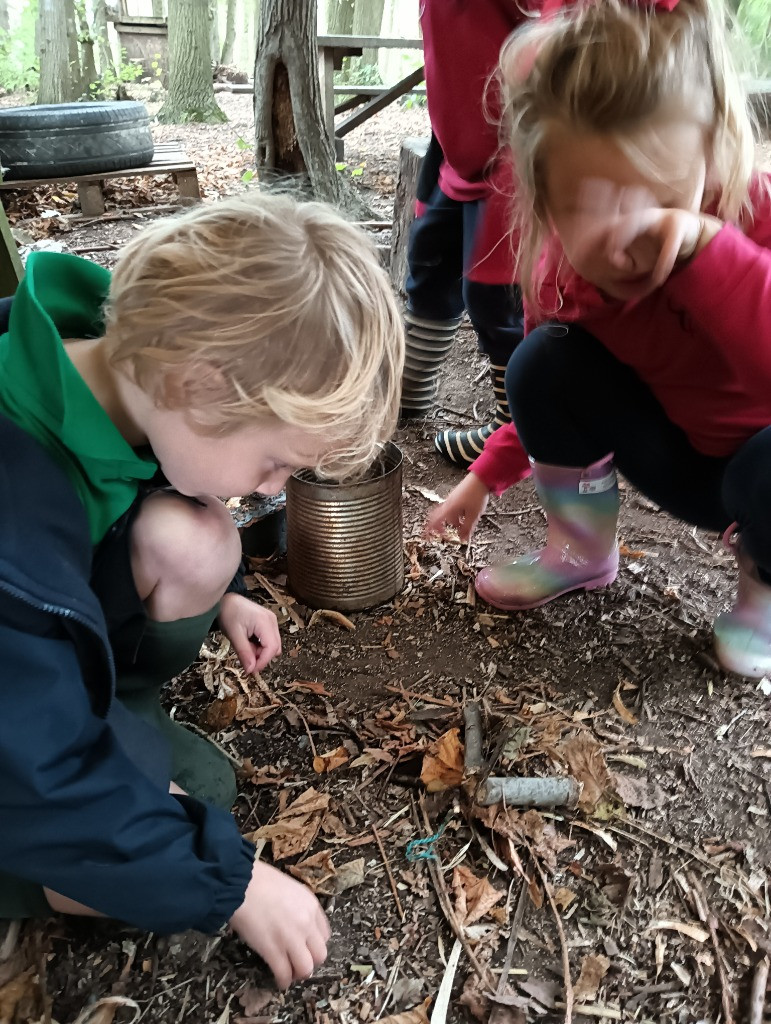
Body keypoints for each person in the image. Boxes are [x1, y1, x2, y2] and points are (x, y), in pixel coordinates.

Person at [0, 194, 403, 988]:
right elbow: (33, 770)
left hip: (33, 679)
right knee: (144, 847)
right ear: (198, 383)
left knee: (194, 538)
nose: (269, 490)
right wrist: (236, 886)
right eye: (273, 464)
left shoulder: (112, 374)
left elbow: (140, 490)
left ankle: (120, 738)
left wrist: (227, 592)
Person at [426, 0, 771, 679]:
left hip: (760, 470)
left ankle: (760, 594)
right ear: (544, 202)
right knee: (541, 363)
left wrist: (710, 254)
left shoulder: (750, 213)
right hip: (677, 462)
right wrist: (483, 479)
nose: (626, 232)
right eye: (589, 203)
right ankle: (579, 551)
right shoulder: (564, 275)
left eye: (660, 191)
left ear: (709, 161)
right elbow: (540, 406)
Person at [399, 0, 532, 478]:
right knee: (431, 257)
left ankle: (516, 426)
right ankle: (411, 392)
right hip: (458, 133)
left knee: (496, 293)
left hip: (519, 136)